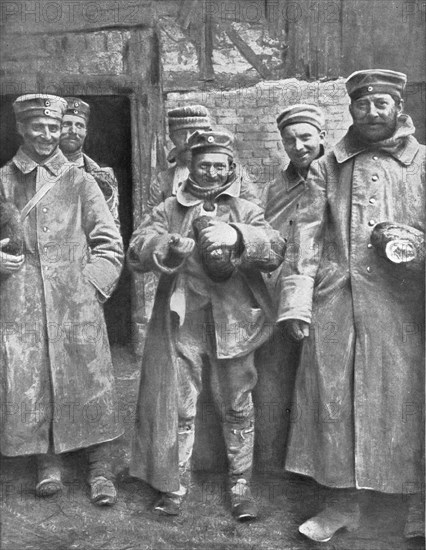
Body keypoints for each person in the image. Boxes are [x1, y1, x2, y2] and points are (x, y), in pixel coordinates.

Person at [278, 70, 425, 541]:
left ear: (399, 107)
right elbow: (305, 238)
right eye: (363, 105)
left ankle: (416, 510)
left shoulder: (422, 163)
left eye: (382, 103)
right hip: (336, 302)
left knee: (406, 405)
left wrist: (415, 247)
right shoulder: (328, 168)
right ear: (351, 110)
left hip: (402, 307)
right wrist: (298, 303)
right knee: (333, 403)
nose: (373, 113)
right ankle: (340, 504)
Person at [128, 130, 285, 521]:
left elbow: (276, 248)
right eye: (204, 165)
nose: (212, 173)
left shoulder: (245, 207)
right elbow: (136, 247)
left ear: (231, 167)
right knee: (180, 405)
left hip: (235, 318)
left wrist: (238, 234)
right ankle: (174, 484)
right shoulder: (170, 207)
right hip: (185, 318)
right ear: (190, 168)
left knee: (236, 403)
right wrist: (165, 245)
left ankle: (240, 485)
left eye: (219, 166)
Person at [0, 94, 124, 506]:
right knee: (31, 379)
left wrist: (90, 287)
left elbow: (110, 244)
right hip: (21, 300)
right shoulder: (3, 180)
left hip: (76, 299)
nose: (48, 135)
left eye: (54, 128)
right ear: (21, 129)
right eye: (39, 127)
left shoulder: (80, 181)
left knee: (90, 377)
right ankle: (46, 461)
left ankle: (100, 467)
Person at [254, 104, 326, 469]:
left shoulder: (338, 176)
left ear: (321, 137)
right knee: (275, 374)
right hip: (280, 293)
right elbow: (265, 233)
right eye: (290, 140)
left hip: (326, 291)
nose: (298, 146)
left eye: (306, 138)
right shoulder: (274, 188)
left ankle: (314, 467)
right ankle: (273, 462)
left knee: (319, 381)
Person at [148, 105, 259, 211]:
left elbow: (256, 215)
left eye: (193, 132)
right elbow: (151, 221)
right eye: (181, 134)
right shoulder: (163, 180)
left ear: (208, 134)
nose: (187, 140)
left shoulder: (237, 176)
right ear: (172, 138)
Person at [59, 97, 120, 227]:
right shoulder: (38, 172)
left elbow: (111, 226)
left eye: (79, 125)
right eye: (66, 124)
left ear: (86, 132)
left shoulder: (103, 176)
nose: (73, 131)